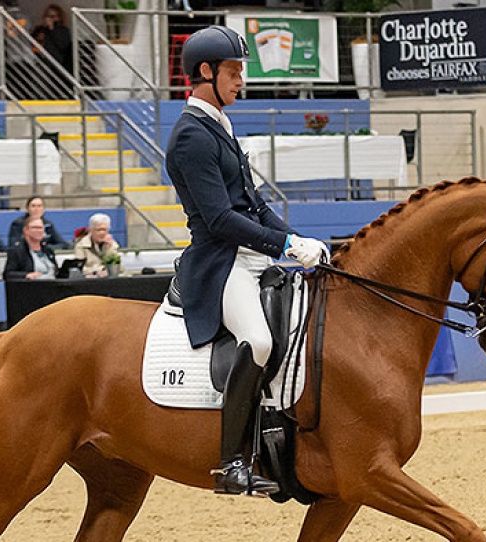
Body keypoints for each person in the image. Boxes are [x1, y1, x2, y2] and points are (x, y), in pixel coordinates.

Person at [165, 25, 329, 497]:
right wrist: (282, 247)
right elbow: (219, 219)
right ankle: (231, 461)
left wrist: (293, 238)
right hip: (221, 262)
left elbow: (253, 203)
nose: (241, 81)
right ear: (205, 73)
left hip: (250, 253)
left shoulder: (220, 125)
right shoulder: (191, 137)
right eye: (234, 72)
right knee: (257, 340)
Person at [3, 216, 58, 280]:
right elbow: (8, 274)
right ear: (26, 230)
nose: (39, 231)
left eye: (41, 228)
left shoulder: (48, 251)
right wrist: (26, 275)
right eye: (35, 228)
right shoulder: (17, 251)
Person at [73, 212, 123, 277]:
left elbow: (118, 267)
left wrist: (109, 248)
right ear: (91, 230)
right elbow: (78, 269)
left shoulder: (112, 244)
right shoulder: (81, 245)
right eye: (98, 230)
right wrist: (97, 271)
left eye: (104, 230)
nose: (102, 233)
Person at [31, 4, 73, 74]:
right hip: (41, 60)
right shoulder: (41, 29)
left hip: (57, 63)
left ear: (59, 18)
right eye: (47, 16)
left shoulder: (63, 30)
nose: (49, 19)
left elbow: (63, 45)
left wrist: (52, 29)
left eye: (52, 17)